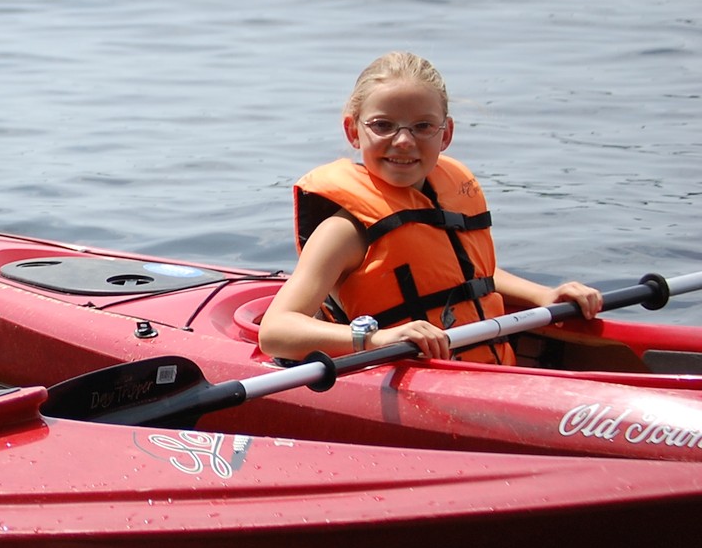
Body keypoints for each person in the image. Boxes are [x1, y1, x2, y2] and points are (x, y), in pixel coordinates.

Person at [258, 51, 602, 364]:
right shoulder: (344, 231)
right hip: (402, 378)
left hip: (488, 372)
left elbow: (466, 276)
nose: (404, 141)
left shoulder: (444, 199)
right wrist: (377, 339)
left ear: (446, 133)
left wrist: (545, 294)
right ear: (353, 131)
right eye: (383, 126)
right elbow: (276, 333)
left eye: (423, 126)